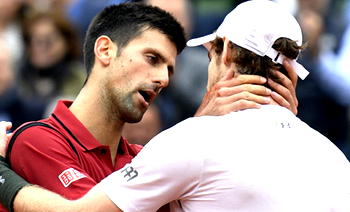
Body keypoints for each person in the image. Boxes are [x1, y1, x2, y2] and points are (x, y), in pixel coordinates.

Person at [0, 1, 306, 212]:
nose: (163, 79)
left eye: (170, 70)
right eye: (152, 59)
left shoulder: (146, 158)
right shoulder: (37, 140)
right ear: (105, 50)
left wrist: (280, 124)